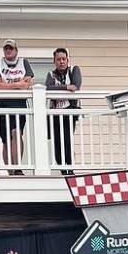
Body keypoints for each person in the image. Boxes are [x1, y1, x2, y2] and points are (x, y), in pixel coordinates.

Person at [0, 39, 34, 176]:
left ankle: (18, 168)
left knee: (17, 132)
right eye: (6, 49)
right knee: (6, 138)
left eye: (11, 48)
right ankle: (10, 171)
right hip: (2, 102)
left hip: (19, 102)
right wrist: (17, 84)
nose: (8, 50)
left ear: (16, 50)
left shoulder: (23, 62)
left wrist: (8, 85)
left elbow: (27, 84)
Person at [45, 47, 82, 175]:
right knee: (57, 141)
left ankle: (69, 167)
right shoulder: (51, 74)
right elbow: (48, 88)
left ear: (68, 60)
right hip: (55, 113)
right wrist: (66, 87)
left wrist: (60, 88)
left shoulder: (73, 70)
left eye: (64, 59)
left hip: (69, 112)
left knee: (67, 140)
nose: (61, 62)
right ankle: (62, 168)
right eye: (58, 59)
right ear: (54, 61)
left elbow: (76, 85)